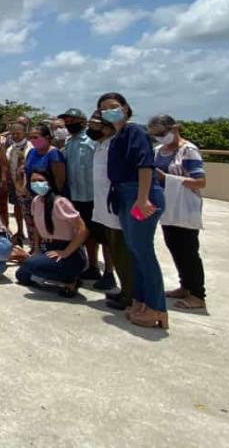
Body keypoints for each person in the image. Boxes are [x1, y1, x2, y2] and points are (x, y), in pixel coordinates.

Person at [99, 92, 168, 331]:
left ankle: (157, 307)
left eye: (114, 106)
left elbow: (145, 164)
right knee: (135, 251)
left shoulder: (134, 131)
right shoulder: (118, 136)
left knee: (144, 252)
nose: (110, 111)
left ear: (126, 108)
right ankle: (141, 301)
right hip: (124, 196)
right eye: (104, 108)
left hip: (139, 196)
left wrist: (143, 199)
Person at [149, 114, 207, 311]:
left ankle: (198, 294)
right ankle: (185, 286)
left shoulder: (188, 151)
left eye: (162, 133)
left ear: (174, 129)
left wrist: (168, 178)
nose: (159, 137)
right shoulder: (158, 151)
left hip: (184, 207)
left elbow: (200, 182)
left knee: (188, 250)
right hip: (167, 207)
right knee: (174, 246)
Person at [15, 171, 89, 297]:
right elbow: (38, 226)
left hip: (68, 251)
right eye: (33, 181)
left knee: (30, 264)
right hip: (48, 248)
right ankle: (57, 277)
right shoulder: (36, 201)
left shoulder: (60, 202)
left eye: (40, 180)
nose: (36, 184)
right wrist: (37, 249)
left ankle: (70, 279)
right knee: (22, 275)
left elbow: (83, 230)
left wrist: (66, 252)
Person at [88, 112, 134, 311]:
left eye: (95, 124)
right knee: (113, 248)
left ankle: (130, 294)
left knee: (122, 252)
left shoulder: (116, 143)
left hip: (115, 206)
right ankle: (126, 291)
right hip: (102, 206)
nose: (92, 128)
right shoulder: (101, 144)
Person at [59, 107, 108, 287]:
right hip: (76, 196)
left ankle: (109, 272)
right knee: (86, 234)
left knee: (103, 237)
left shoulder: (92, 141)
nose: (69, 124)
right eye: (67, 121)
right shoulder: (69, 141)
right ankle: (93, 266)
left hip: (94, 195)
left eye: (73, 120)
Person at [24, 122, 67, 194]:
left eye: (35, 137)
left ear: (47, 137)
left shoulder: (54, 154)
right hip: (33, 196)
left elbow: (60, 181)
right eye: (30, 138)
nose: (32, 140)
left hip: (49, 197)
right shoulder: (31, 152)